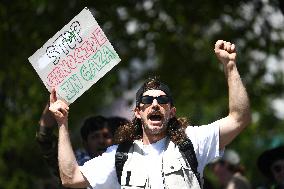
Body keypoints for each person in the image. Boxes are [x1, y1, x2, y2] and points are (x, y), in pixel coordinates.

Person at [48, 40, 251, 189]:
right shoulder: (119, 156)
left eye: (162, 100)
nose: (155, 104)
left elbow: (239, 119)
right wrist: (62, 124)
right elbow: (70, 178)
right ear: (138, 112)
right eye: (147, 101)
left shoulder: (193, 142)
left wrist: (230, 67)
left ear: (171, 112)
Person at [36, 102, 129, 188]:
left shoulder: (126, 165)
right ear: (85, 144)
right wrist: (54, 102)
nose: (101, 141)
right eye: (95, 137)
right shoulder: (69, 166)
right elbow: (45, 139)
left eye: (106, 136)